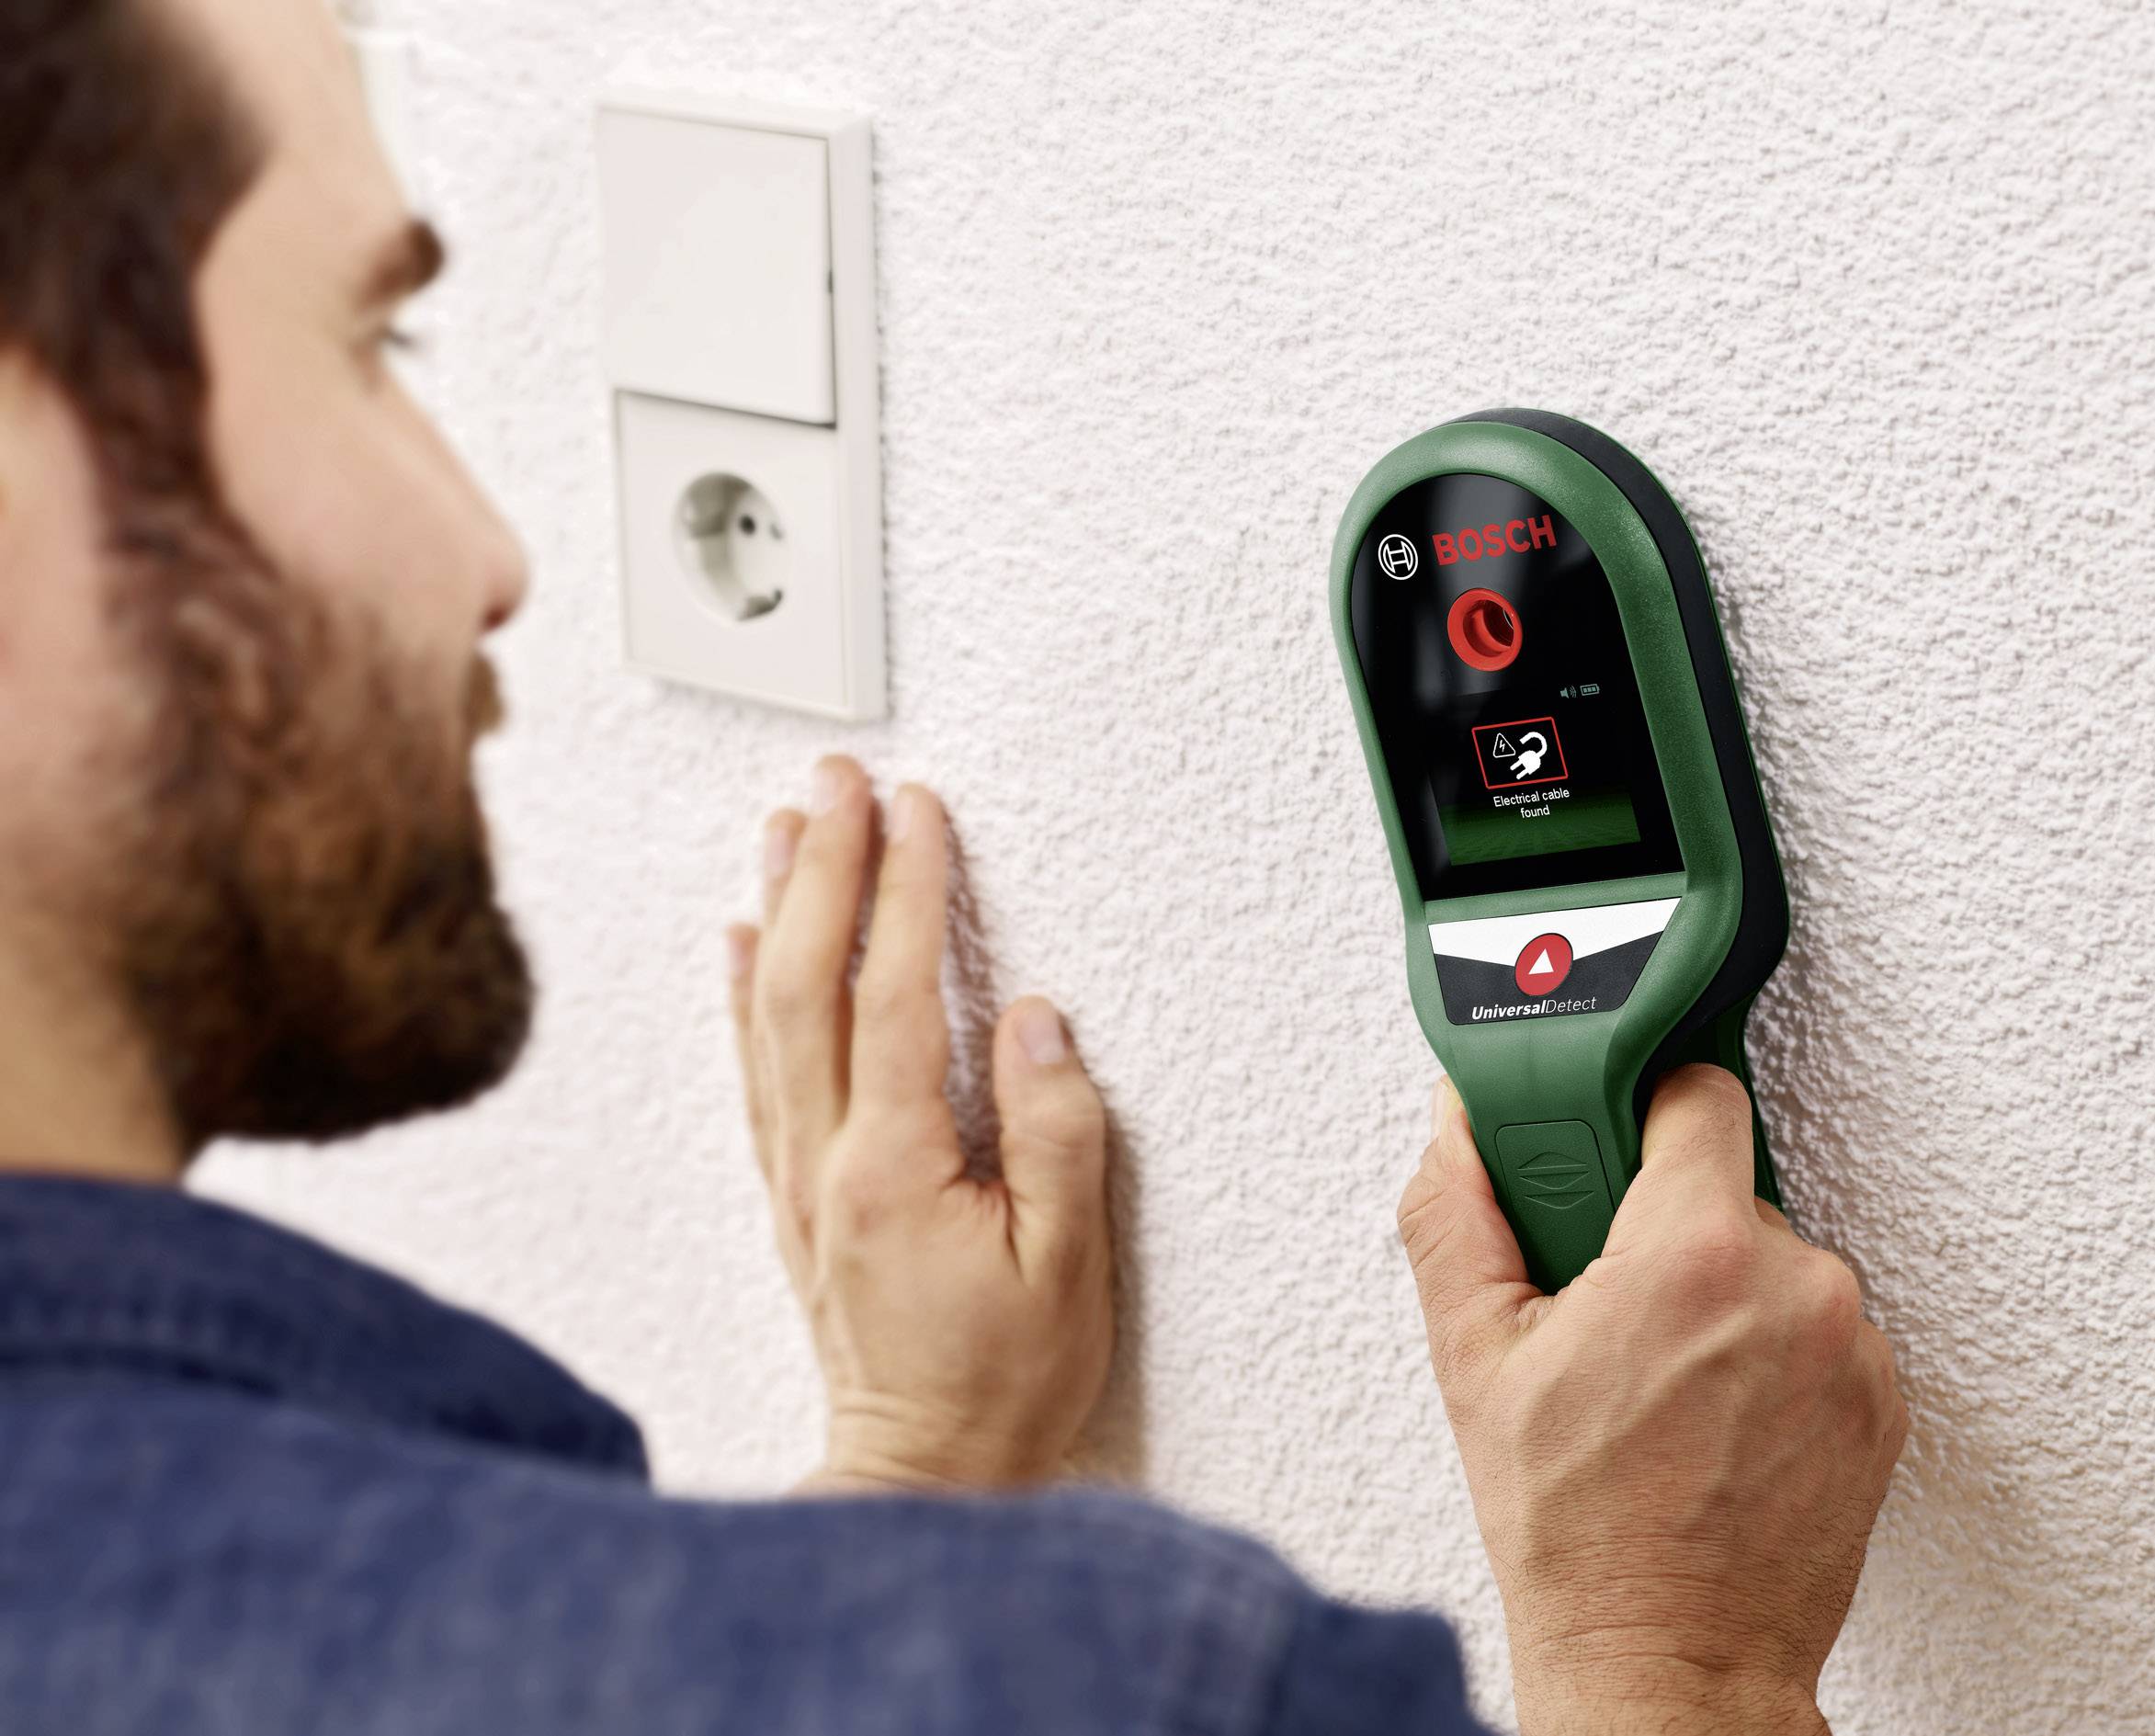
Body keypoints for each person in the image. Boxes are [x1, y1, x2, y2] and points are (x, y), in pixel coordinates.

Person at [0, 0, 1910, 1730]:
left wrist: (900, 1502)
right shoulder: (1156, 1691)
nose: (491, 547)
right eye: (368, 338)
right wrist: (1672, 1658)